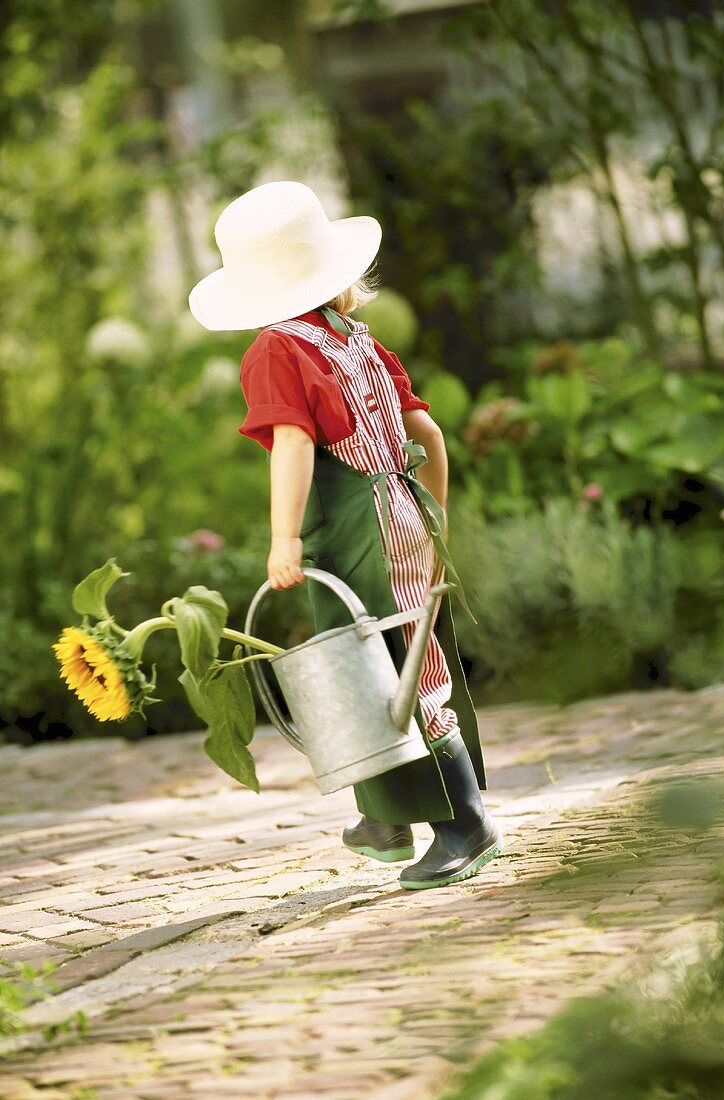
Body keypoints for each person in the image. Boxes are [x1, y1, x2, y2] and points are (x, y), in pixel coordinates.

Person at [189, 180, 503, 889]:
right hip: (406, 508)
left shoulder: (276, 351)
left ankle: (464, 823)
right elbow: (428, 431)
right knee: (378, 657)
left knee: (391, 667)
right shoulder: (360, 339)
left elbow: (296, 444)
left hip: (358, 528)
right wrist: (438, 516)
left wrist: (283, 537)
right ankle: (386, 814)